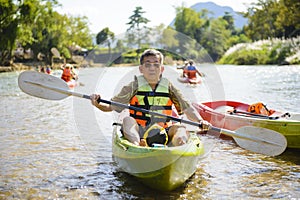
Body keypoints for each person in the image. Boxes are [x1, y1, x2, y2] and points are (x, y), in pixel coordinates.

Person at [90, 49, 211, 147]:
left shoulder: (169, 87)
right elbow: (109, 106)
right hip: (139, 130)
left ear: (161, 69)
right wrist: (97, 103)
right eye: (147, 65)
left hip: (163, 131)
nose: (152, 68)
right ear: (141, 69)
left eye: (156, 65)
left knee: (181, 128)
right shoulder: (133, 87)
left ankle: (180, 147)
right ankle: (138, 145)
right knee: (127, 120)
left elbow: (187, 108)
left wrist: (200, 121)